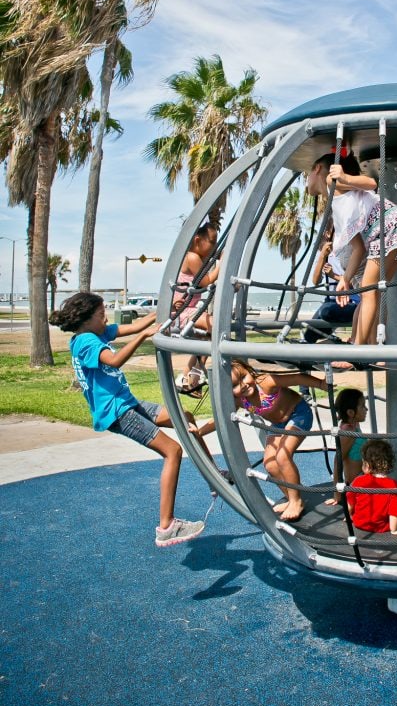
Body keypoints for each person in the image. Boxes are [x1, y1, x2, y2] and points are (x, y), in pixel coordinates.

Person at [49, 292, 208, 548]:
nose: (106, 319)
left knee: (183, 416)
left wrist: (168, 309)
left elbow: (136, 324)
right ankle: (166, 526)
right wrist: (143, 337)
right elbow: (115, 359)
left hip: (128, 403)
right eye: (102, 315)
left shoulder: (97, 332)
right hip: (117, 412)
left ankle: (213, 475)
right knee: (173, 451)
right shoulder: (85, 341)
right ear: (87, 318)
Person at [306, 150, 397, 355]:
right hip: (396, 228)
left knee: (368, 291)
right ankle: (364, 345)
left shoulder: (333, 183)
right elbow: (358, 248)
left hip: (387, 226)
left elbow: (372, 183)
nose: (306, 180)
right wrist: (345, 280)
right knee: (372, 292)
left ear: (317, 169)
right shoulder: (337, 207)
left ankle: (358, 350)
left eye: (307, 174)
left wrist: (345, 177)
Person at [198, 359, 325, 522]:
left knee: (282, 456)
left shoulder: (265, 382)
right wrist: (200, 432)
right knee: (270, 464)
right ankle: (290, 497)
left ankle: (296, 501)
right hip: (278, 423)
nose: (243, 385)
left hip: (298, 414)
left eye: (243, 377)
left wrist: (320, 384)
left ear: (248, 370)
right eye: (235, 385)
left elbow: (297, 378)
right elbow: (220, 420)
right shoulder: (239, 400)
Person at [172, 223, 221, 393]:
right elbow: (206, 281)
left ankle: (188, 376)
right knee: (216, 325)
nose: (214, 246)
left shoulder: (192, 258)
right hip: (182, 313)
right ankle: (199, 371)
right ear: (198, 240)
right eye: (212, 241)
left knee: (208, 338)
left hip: (188, 311)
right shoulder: (192, 257)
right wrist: (221, 264)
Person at [303, 237, 360, 344]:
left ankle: (337, 342)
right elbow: (315, 281)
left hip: (351, 301)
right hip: (331, 302)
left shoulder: (350, 252)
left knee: (325, 312)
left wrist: (334, 276)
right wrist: (322, 256)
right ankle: (301, 354)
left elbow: (359, 282)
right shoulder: (327, 256)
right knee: (310, 333)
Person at [325, 388, 368, 506]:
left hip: (365, 477)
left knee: (394, 450)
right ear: (350, 413)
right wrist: (337, 493)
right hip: (358, 483)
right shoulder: (348, 432)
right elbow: (337, 461)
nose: (366, 409)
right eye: (363, 406)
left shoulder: (355, 424)